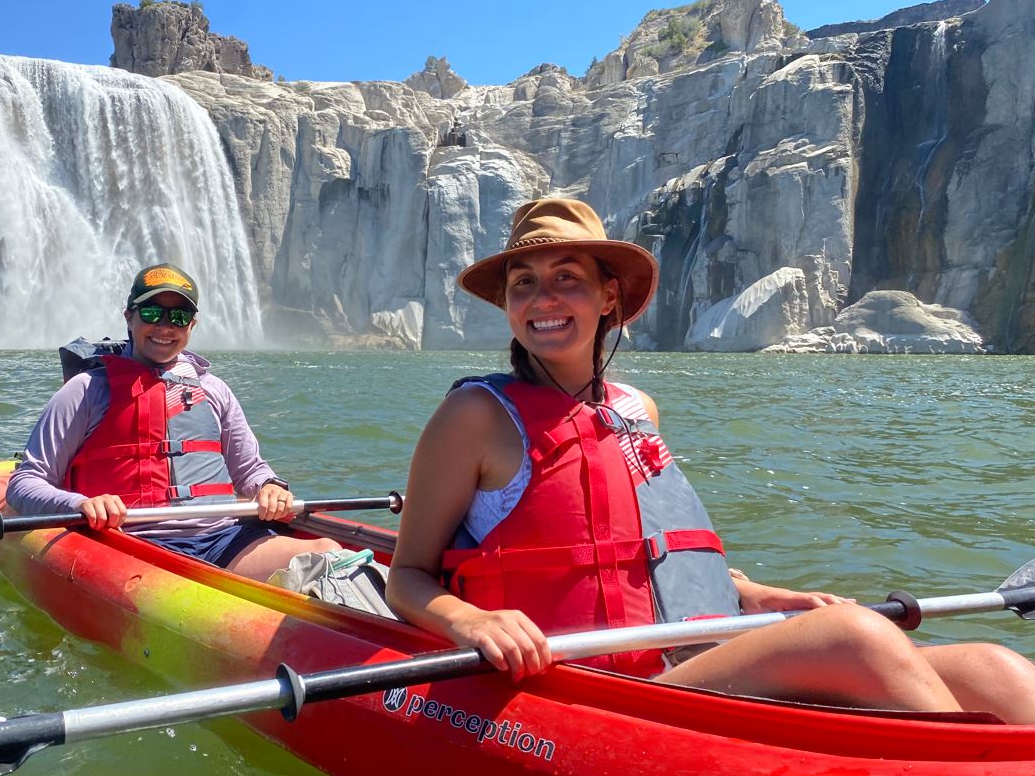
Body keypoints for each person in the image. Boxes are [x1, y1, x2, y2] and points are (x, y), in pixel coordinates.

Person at [386, 197, 1035, 723]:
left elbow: (649, 551)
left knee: (995, 670)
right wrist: (470, 617)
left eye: (567, 280)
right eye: (523, 284)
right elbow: (407, 574)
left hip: (678, 664)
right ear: (506, 305)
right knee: (855, 637)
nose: (542, 299)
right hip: (576, 682)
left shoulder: (636, 408)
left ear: (609, 297)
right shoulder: (474, 417)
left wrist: (749, 593)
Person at [7, 262, 338, 582]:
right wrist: (80, 503)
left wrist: (269, 488)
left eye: (179, 317)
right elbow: (24, 483)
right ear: (129, 317)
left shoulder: (215, 390)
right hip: (131, 543)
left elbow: (251, 470)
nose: (166, 327)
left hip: (223, 539)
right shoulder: (85, 391)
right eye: (152, 313)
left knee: (327, 553)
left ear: (192, 326)